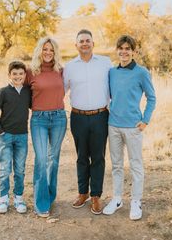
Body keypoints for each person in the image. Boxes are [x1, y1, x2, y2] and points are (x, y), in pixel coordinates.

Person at [103, 35, 156, 220]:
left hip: (133, 127)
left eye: (128, 48)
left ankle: (136, 201)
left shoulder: (141, 72)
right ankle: (117, 199)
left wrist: (145, 120)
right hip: (113, 125)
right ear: (117, 50)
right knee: (116, 165)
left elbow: (152, 97)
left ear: (134, 51)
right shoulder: (112, 72)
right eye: (121, 48)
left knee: (135, 165)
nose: (124, 51)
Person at [63, 29, 112, 215]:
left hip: (100, 116)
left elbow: (115, 86)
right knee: (82, 156)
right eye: (81, 41)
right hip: (78, 117)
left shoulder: (105, 63)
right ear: (76, 45)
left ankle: (96, 196)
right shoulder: (69, 67)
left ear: (93, 44)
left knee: (98, 157)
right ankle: (83, 193)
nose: (84, 43)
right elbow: (61, 91)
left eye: (87, 40)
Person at [26, 37, 67, 218]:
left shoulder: (61, 71)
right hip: (39, 120)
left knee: (53, 159)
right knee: (41, 159)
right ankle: (41, 203)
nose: (48, 52)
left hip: (59, 117)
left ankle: (49, 196)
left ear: (55, 52)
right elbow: (22, 95)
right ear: (39, 51)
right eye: (45, 49)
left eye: (51, 49)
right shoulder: (30, 72)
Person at [0, 61, 31, 214]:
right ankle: (3, 198)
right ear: (9, 75)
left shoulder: (27, 91)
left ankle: (18, 198)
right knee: (5, 169)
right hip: (5, 136)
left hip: (22, 136)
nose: (18, 76)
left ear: (25, 75)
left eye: (21, 74)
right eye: (14, 74)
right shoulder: (3, 92)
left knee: (20, 169)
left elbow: (35, 105)